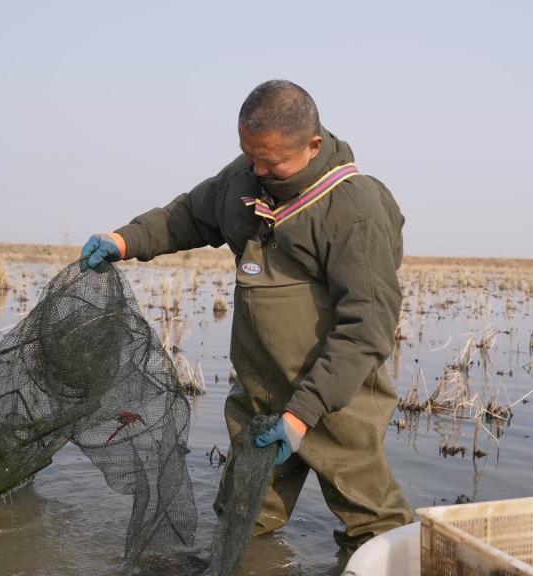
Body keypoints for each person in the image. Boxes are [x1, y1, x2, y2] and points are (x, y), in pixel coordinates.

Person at [81, 79, 413, 551]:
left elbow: (368, 328)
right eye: (249, 154)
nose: (257, 169)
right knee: (245, 514)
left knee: (373, 523)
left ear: (313, 145)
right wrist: (126, 239)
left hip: (336, 395)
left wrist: (302, 414)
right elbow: (188, 216)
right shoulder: (245, 178)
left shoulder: (352, 208)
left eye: (271, 161)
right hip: (260, 390)